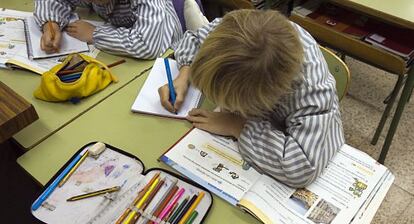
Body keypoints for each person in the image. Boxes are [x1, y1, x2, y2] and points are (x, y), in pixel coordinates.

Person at [158, 9, 345, 188]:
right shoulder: (236, 33)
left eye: (229, 102)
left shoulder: (312, 90)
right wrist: (184, 75)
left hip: (295, 131)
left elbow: (302, 167)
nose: (221, 106)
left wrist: (236, 125)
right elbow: (193, 38)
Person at [34, 0, 183, 59]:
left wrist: (94, 33)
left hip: (168, 53)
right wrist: (51, 24)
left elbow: (146, 45)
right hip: (120, 48)